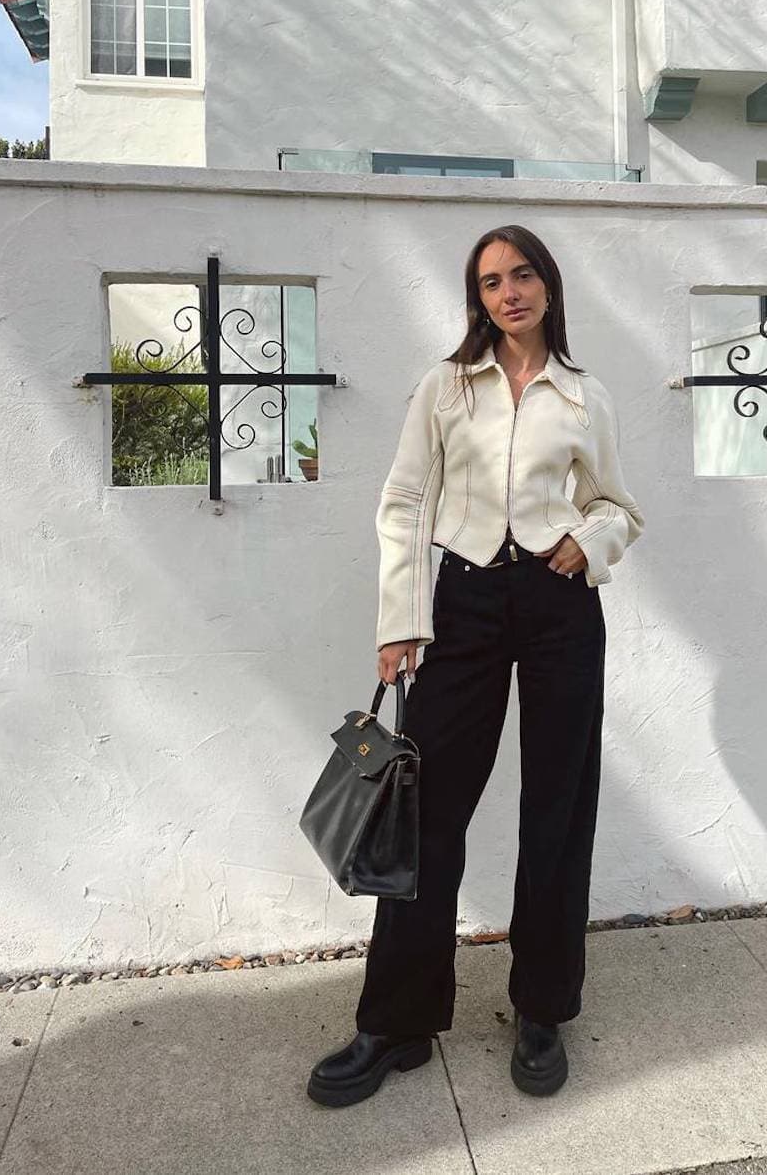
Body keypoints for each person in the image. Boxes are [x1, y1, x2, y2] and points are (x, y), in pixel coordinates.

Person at [306, 224, 645, 1108]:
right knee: (428, 814)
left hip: (559, 606)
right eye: (491, 280)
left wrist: (586, 540)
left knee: (558, 809)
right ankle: (396, 1022)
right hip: (459, 601)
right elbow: (405, 499)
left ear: (547, 285)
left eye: (522, 274)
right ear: (478, 297)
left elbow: (618, 505)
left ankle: (542, 1008)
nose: (508, 292)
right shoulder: (446, 386)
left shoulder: (583, 395)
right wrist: (400, 619)